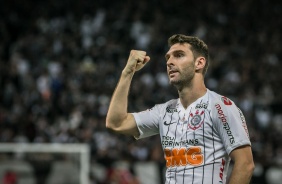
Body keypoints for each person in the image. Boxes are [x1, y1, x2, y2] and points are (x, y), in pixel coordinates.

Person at [106, 34, 254, 184]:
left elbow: (245, 165)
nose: (169, 62)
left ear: (199, 63)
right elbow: (116, 123)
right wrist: (127, 72)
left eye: (179, 55)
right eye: (168, 58)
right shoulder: (164, 111)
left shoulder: (220, 106)